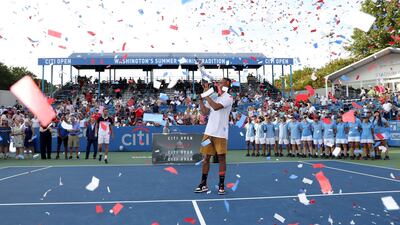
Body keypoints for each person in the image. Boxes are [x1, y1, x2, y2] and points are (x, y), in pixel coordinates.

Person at [195, 78, 233, 195]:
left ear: (227, 84)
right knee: (205, 157)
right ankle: (203, 183)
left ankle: (221, 185)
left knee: (221, 158)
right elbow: (205, 112)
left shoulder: (228, 97)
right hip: (208, 133)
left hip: (221, 134)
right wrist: (201, 100)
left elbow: (216, 107)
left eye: (221, 82)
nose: (218, 83)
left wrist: (206, 94)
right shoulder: (214, 96)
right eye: (218, 82)